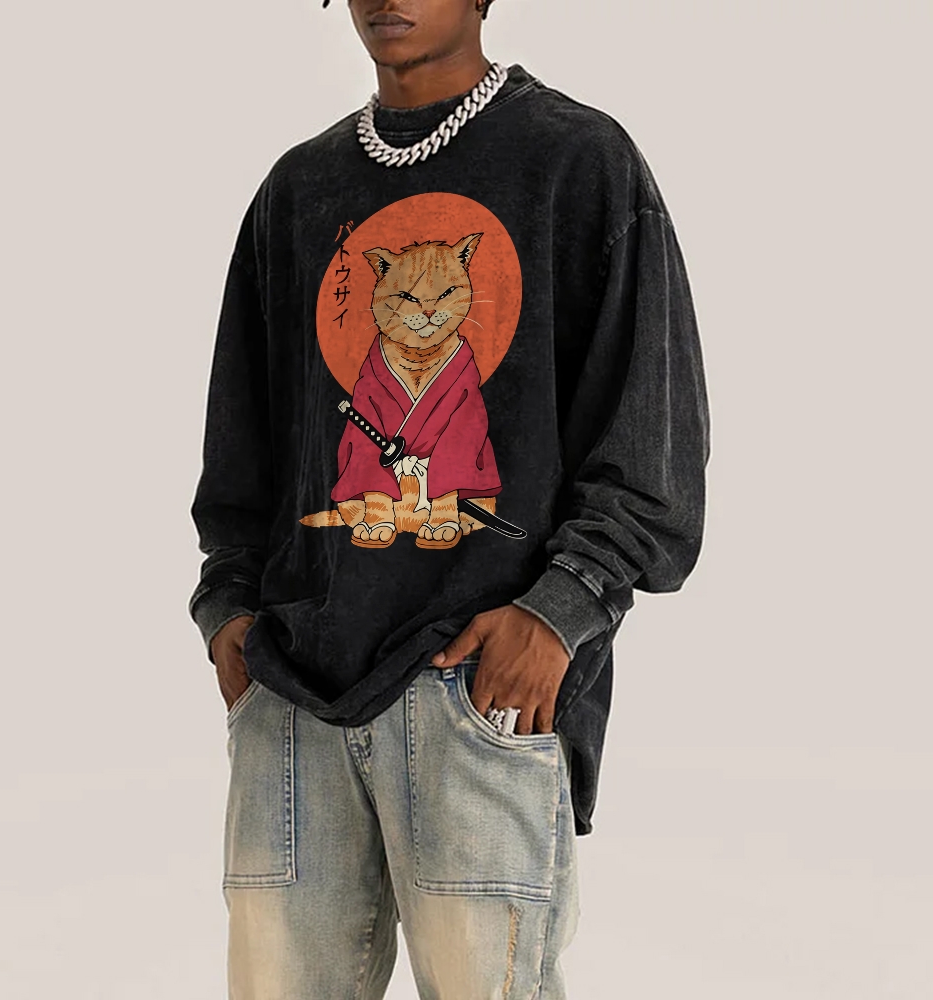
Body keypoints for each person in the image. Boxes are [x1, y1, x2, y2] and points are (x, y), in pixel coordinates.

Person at [188, 1, 710, 996]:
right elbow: (242, 447)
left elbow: (654, 452)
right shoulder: (297, 190)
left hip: (477, 692)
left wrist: (557, 614)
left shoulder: (577, 162)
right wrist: (228, 613)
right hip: (291, 698)